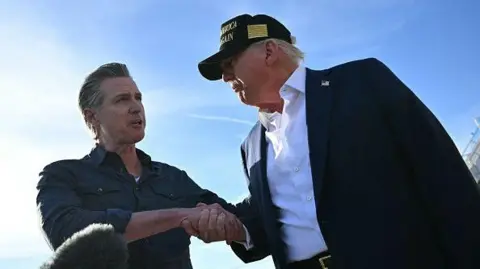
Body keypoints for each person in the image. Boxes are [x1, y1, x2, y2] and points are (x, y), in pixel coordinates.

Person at [195, 13, 480, 269]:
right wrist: (233, 229)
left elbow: (444, 177)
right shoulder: (251, 146)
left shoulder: (362, 82)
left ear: (269, 51)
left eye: (230, 63)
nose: (225, 77)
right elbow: (267, 224)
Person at [35, 63, 246, 269]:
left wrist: (220, 223)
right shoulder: (62, 175)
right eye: (121, 100)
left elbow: (240, 220)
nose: (136, 107)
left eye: (138, 98)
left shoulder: (173, 178)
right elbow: (65, 233)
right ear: (92, 116)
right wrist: (179, 216)